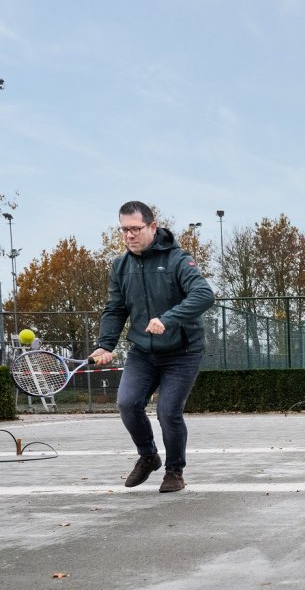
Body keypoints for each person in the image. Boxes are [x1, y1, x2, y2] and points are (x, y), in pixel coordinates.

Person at [90, 201, 214, 493]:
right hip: (143, 352)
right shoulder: (120, 266)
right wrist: (104, 345)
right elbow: (115, 308)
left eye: (135, 229)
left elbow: (204, 295)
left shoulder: (178, 260)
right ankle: (148, 456)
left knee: (168, 411)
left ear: (152, 227)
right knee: (127, 403)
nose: (129, 235)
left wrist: (168, 319)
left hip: (183, 351)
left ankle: (174, 472)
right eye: (124, 230)